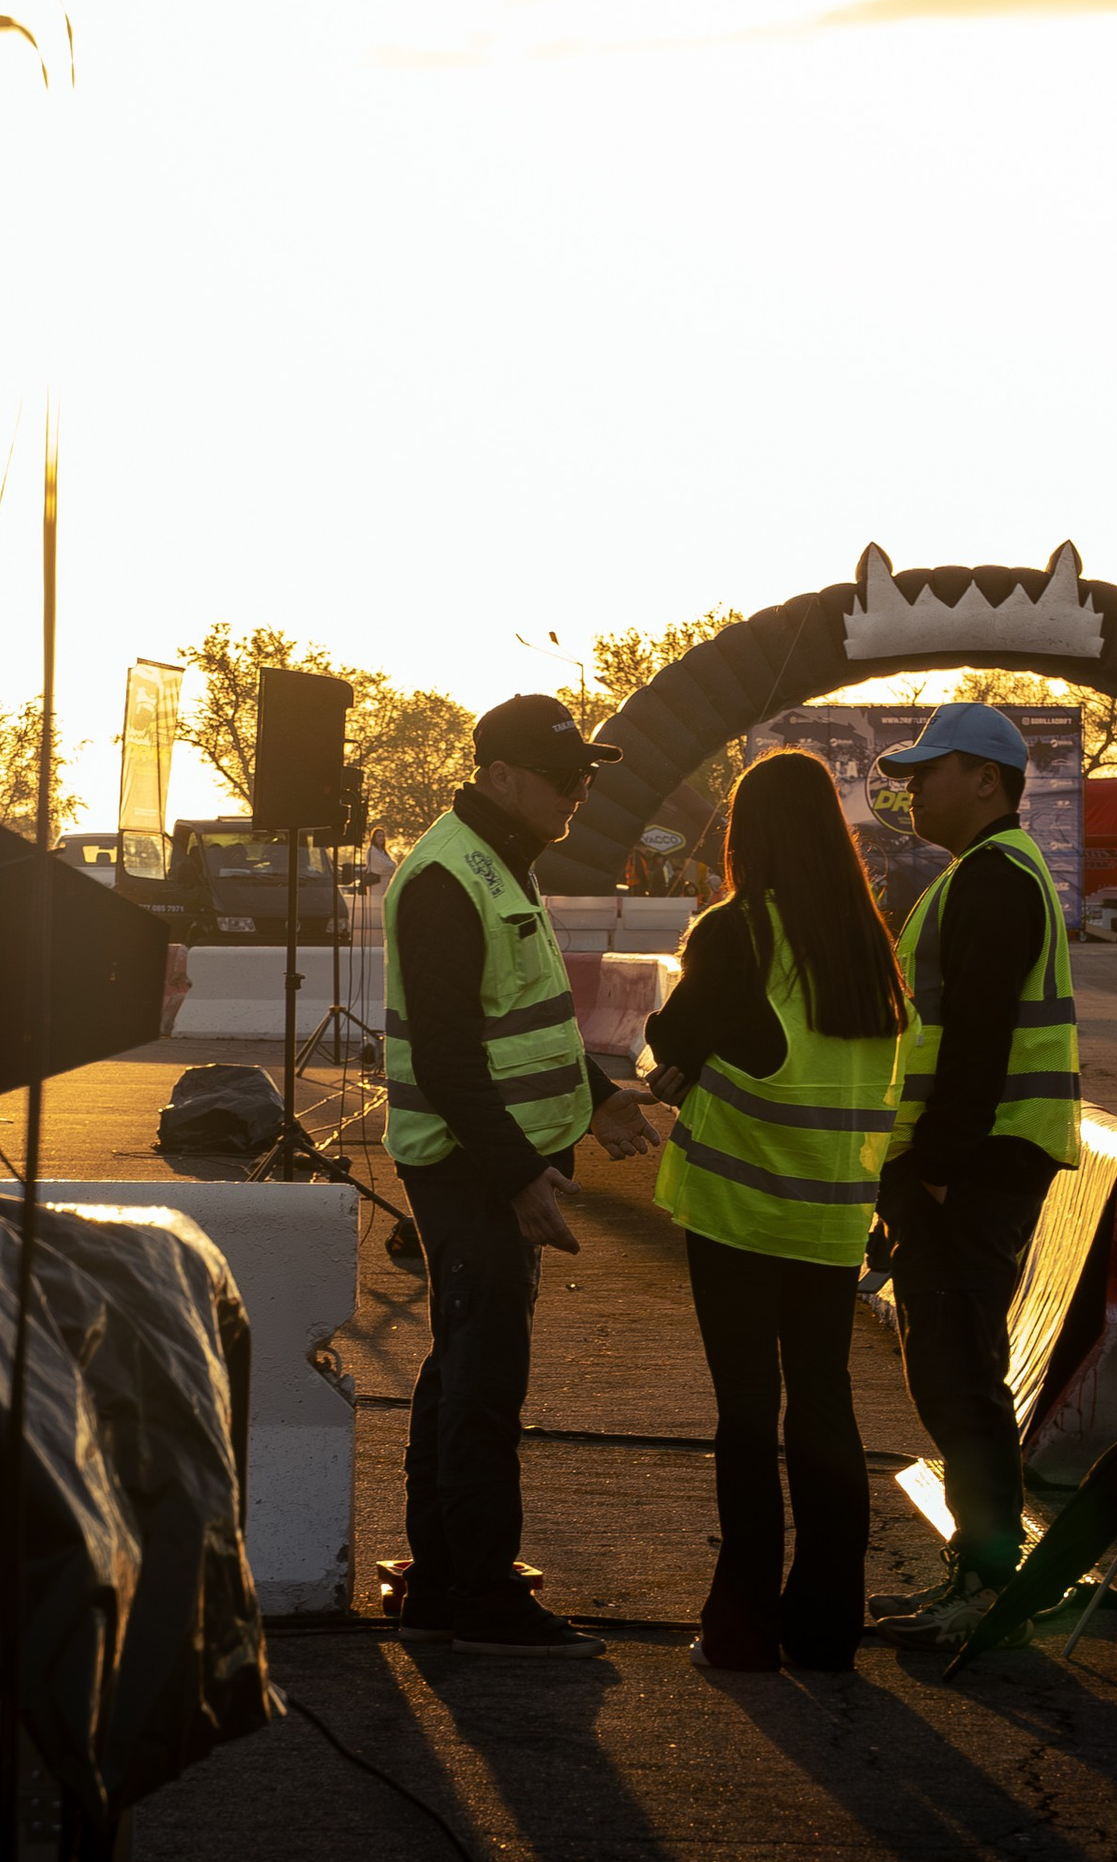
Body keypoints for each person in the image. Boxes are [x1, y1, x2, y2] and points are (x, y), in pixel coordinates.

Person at [383, 694, 661, 1658]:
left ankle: (443, 1582)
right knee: (485, 1380)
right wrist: (517, 1180)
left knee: (464, 1367)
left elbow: (530, 1022)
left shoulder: (496, 861)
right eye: (563, 776)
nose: (580, 792)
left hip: (494, 1164)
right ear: (499, 777)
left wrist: (599, 1098)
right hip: (471, 1171)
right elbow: (453, 1058)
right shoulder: (447, 879)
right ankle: (481, 1594)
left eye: (587, 775)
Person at [643, 749, 908, 1674]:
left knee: (748, 1415)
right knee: (826, 1410)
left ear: (746, 835)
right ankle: (831, 1621)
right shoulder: (868, 943)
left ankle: (745, 1624)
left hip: (741, 1211)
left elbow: (673, 1038)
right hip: (833, 1219)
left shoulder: (736, 931)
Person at [862, 704, 1081, 1652]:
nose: (911, 790)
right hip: (972, 1162)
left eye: (927, 772)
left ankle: (990, 1582)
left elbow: (980, 1040)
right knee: (951, 1369)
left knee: (959, 1372)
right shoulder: (983, 876)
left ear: (985, 778)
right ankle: (983, 1570)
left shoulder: (993, 880)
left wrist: (939, 1171)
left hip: (974, 1166)